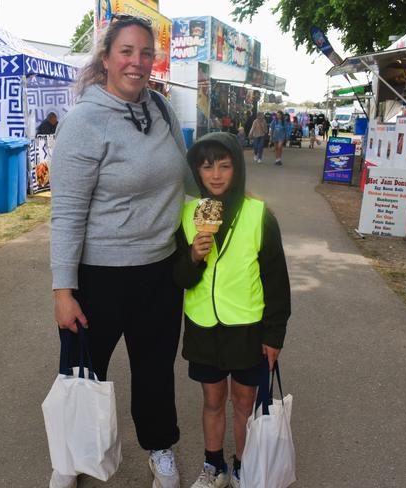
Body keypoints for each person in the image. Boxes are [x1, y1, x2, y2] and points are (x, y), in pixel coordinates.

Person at [50, 14, 192, 488]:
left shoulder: (163, 110)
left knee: (155, 370)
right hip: (99, 276)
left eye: (145, 53)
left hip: (160, 271)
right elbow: (67, 213)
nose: (137, 62)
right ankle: (70, 458)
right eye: (127, 52)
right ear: (107, 59)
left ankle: (160, 448)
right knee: (83, 371)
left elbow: (185, 181)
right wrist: (63, 289)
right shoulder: (83, 122)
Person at [173, 132, 291, 488]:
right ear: (197, 172)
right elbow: (179, 277)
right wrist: (193, 255)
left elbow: (276, 281)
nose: (217, 175)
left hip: (247, 328)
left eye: (225, 166)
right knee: (212, 399)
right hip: (203, 325)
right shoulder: (188, 214)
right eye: (207, 167)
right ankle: (214, 467)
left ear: (237, 169)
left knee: (243, 402)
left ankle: (242, 466)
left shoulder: (259, 214)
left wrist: (274, 335)